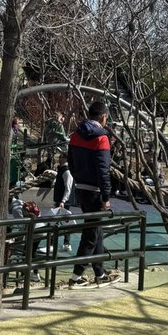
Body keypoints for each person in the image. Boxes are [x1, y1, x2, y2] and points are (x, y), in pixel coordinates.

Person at [66, 103, 120, 286]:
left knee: (96, 230)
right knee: (90, 234)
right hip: (96, 191)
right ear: (103, 117)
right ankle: (76, 276)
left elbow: (71, 163)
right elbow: (103, 170)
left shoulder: (75, 135)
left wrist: (79, 179)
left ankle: (99, 273)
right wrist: (106, 197)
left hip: (81, 188)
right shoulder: (102, 138)